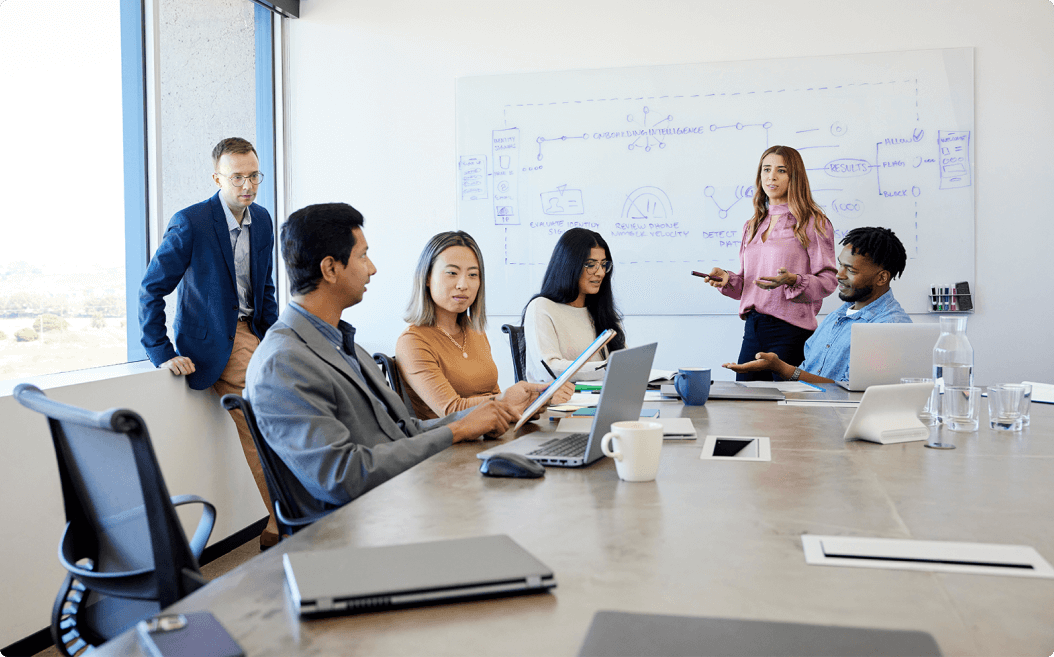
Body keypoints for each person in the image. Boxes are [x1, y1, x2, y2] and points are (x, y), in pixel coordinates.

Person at [244, 203, 523, 519]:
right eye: (362, 256)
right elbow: (343, 477)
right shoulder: (283, 362)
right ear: (330, 269)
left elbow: (405, 430)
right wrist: (457, 430)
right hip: (362, 524)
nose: (372, 268)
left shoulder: (346, 346)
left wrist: (477, 417)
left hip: (398, 497)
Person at [139, 137, 280, 548]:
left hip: (255, 331)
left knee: (298, 399)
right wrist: (161, 351)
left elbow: (265, 286)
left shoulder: (264, 220)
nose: (247, 185)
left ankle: (291, 517)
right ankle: (281, 521)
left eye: (254, 175)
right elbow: (151, 288)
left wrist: (276, 339)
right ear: (217, 177)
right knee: (264, 416)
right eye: (237, 177)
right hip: (216, 339)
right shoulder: (192, 222)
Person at [396, 231, 571, 420]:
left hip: (488, 434)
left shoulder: (474, 330)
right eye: (452, 273)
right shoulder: (412, 342)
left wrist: (534, 401)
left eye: (473, 275)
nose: (463, 284)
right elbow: (452, 410)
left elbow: (492, 394)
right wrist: (508, 399)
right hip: (450, 445)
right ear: (427, 277)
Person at [705, 145, 838, 381]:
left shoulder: (813, 222)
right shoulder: (753, 224)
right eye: (766, 169)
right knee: (747, 407)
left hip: (790, 331)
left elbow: (828, 281)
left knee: (785, 411)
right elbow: (749, 283)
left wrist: (794, 280)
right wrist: (728, 279)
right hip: (754, 328)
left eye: (781, 170)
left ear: (794, 176)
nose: (771, 177)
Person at [723, 226, 911, 384]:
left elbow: (854, 392)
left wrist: (783, 369)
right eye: (841, 265)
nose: (839, 275)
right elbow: (811, 370)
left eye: (851, 270)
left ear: (882, 278)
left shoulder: (890, 326)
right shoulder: (839, 315)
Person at [521, 227, 626, 384]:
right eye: (591, 264)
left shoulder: (600, 310)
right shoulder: (541, 307)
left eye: (603, 264)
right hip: (561, 404)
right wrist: (607, 368)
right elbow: (550, 368)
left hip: (601, 398)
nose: (601, 273)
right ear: (569, 265)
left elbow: (623, 361)